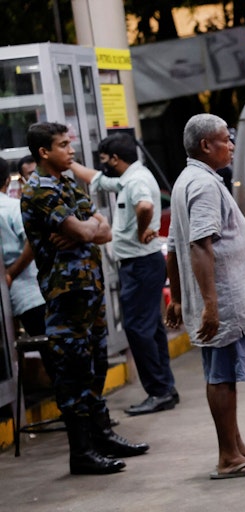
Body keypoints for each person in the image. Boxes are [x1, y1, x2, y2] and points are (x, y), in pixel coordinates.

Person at [21, 122, 150, 475]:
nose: (72, 151)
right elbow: (85, 228)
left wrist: (87, 230)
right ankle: (81, 452)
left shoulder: (65, 183)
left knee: (94, 365)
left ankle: (102, 435)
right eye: (63, 145)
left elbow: (103, 230)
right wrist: (85, 230)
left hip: (88, 291)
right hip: (66, 295)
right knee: (73, 371)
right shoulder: (40, 190)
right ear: (44, 152)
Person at [165, 113, 245, 480]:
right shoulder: (202, 185)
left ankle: (236, 444)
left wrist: (179, 298)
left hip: (219, 300)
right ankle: (228, 456)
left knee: (223, 373)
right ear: (205, 146)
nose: (230, 144)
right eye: (224, 139)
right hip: (223, 301)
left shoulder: (194, 180)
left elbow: (172, 248)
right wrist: (210, 304)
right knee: (222, 374)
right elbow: (198, 246)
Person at [69, 133, 179, 416]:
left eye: (105, 159)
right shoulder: (128, 177)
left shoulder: (136, 180)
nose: (103, 164)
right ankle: (165, 388)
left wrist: (143, 228)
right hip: (140, 264)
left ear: (116, 159)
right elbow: (94, 177)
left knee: (137, 329)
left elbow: (145, 206)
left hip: (141, 264)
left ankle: (158, 391)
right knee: (151, 327)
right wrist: (69, 163)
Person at [0, 157, 47, 341]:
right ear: (7, 181)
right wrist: (10, 273)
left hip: (18, 296)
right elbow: (33, 243)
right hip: (29, 295)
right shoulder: (12, 207)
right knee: (45, 348)